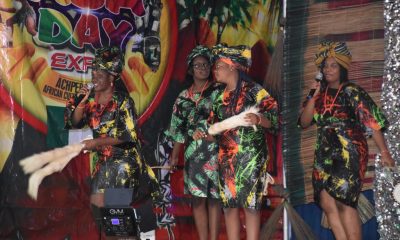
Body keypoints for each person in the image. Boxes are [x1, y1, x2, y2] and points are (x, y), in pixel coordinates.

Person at [299, 41, 395, 240]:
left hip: (348, 152)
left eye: (333, 65)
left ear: (342, 68)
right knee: (326, 201)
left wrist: (384, 152)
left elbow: (373, 122)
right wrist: (312, 96)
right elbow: (304, 122)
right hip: (324, 153)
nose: (328, 69)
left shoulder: (351, 90)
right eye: (325, 66)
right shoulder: (318, 95)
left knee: (344, 201)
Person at [64, 46, 161, 231]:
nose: (95, 76)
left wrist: (96, 142)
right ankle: (120, 234)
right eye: (94, 71)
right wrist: (82, 102)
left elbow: (129, 136)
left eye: (101, 73)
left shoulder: (123, 102)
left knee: (116, 213)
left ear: (111, 79)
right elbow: (75, 122)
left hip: (123, 163)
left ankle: (126, 235)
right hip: (104, 162)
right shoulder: (91, 102)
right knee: (99, 209)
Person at [194, 43, 279, 240]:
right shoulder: (218, 96)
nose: (214, 70)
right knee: (229, 206)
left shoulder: (255, 91)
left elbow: (275, 120)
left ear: (232, 66)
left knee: (250, 206)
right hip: (227, 160)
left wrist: (259, 119)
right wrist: (203, 134)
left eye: (218, 66)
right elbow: (212, 130)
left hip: (251, 159)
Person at [165, 45, 221, 240]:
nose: (202, 68)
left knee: (214, 199)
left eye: (206, 64)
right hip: (193, 156)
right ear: (190, 69)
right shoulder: (182, 98)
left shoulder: (218, 91)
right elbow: (177, 132)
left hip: (216, 152)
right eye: (198, 65)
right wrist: (173, 158)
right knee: (198, 201)